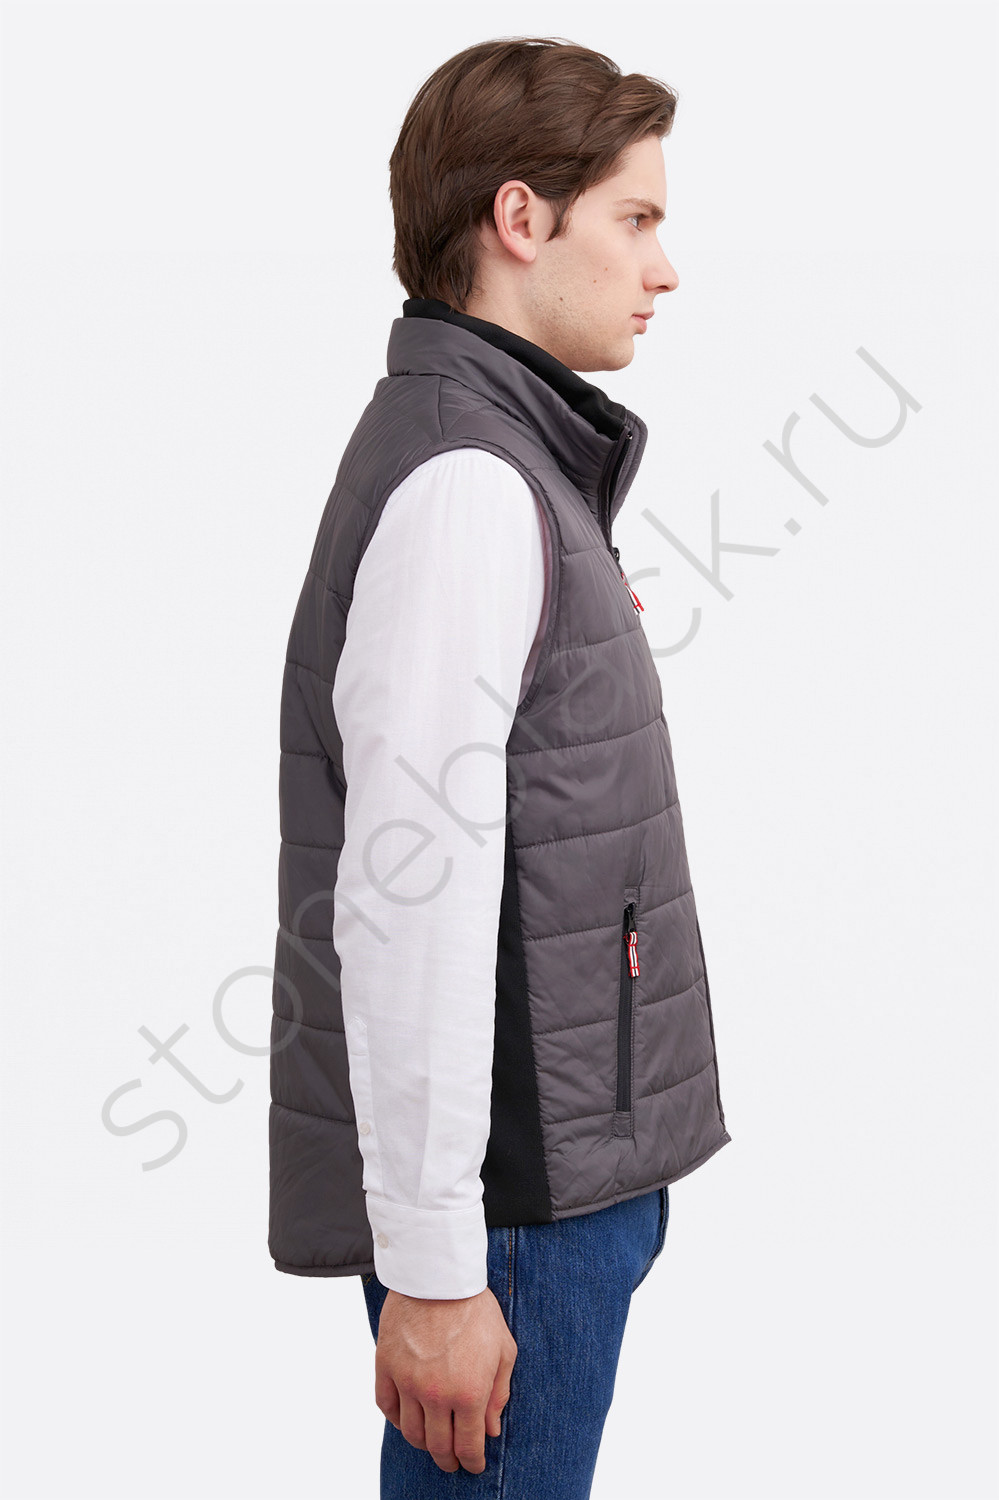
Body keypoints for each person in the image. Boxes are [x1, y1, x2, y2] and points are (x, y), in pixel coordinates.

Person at [268, 35, 732, 1498]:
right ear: (520, 219)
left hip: (548, 1191)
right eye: (635, 219)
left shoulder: (502, 460)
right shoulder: (469, 484)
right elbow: (407, 899)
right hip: (513, 1217)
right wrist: (434, 1273)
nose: (664, 270)